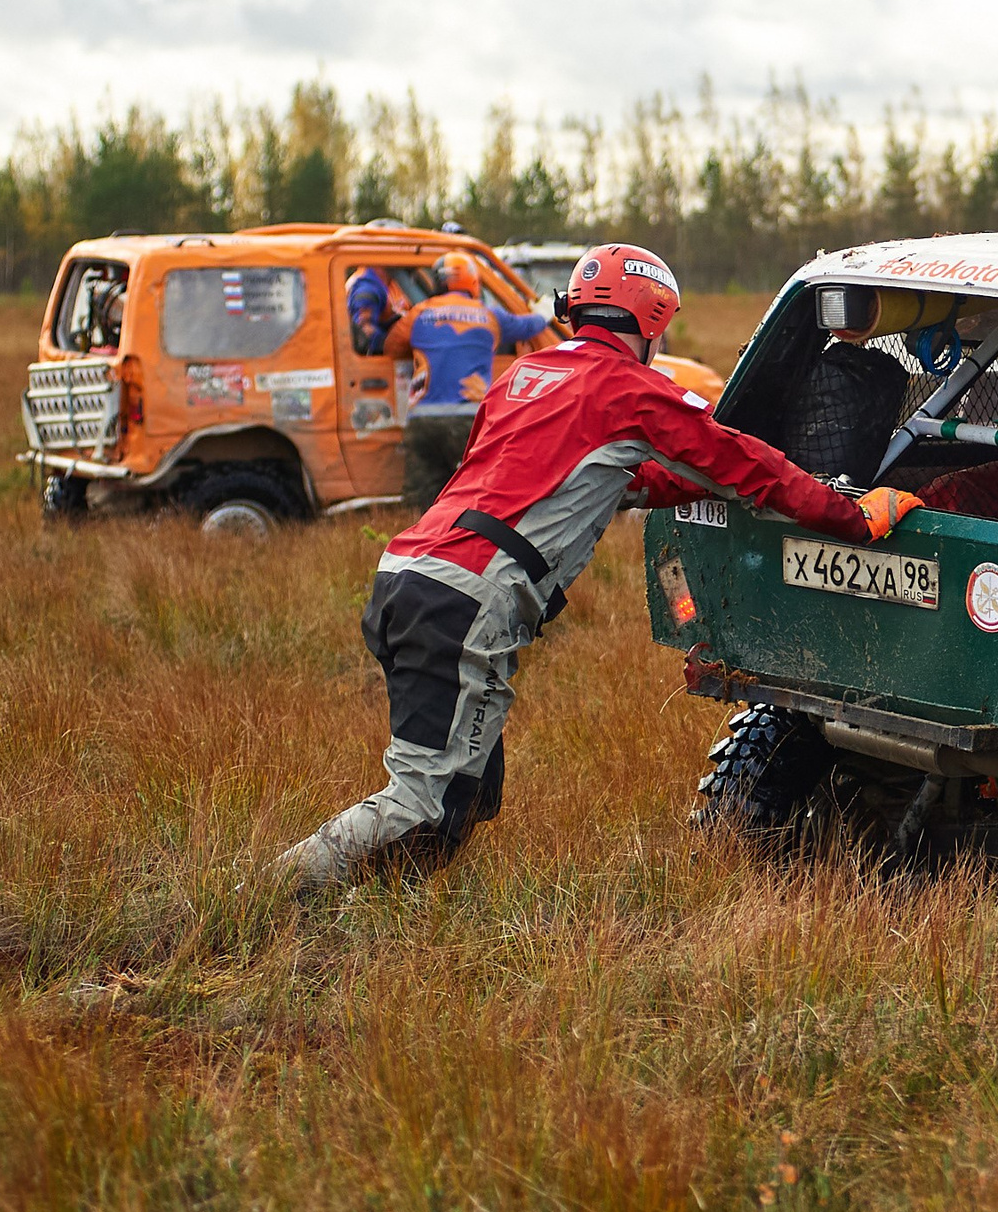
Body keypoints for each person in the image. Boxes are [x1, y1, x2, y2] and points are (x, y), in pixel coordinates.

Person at [276, 242, 924, 892]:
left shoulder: (525, 378)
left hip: (409, 574)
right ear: (651, 319)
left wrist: (703, 486)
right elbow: (742, 461)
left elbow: (619, 478)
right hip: (467, 599)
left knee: (469, 796)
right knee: (424, 804)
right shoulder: (630, 388)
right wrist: (851, 517)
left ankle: (376, 911)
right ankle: (267, 893)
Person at [386, 253, 552, 507]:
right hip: (468, 421)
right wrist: (544, 312)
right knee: (476, 493)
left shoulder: (418, 314)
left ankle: (419, 543)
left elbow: (391, 347)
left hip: (422, 421)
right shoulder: (489, 315)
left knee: (421, 498)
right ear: (473, 282)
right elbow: (528, 327)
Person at [346, 265, 409, 357]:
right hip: (371, 362)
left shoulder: (385, 283)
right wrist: (397, 345)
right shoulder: (367, 288)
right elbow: (364, 332)